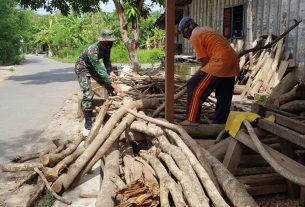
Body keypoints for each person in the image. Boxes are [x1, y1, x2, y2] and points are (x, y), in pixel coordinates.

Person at [178, 17, 240, 126]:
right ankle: (220, 122)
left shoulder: (194, 36)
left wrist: (199, 75)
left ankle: (192, 119)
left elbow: (205, 61)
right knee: (224, 92)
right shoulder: (206, 29)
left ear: (185, 31)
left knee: (193, 84)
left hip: (220, 61)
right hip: (233, 59)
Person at [75, 29, 122, 130]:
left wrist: (111, 71)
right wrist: (114, 84)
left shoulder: (107, 47)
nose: (111, 42)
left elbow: (107, 61)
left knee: (108, 86)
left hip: (93, 67)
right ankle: (87, 118)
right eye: (108, 41)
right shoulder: (93, 50)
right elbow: (99, 69)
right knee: (88, 93)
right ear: (102, 41)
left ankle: (111, 108)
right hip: (82, 68)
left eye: (111, 41)